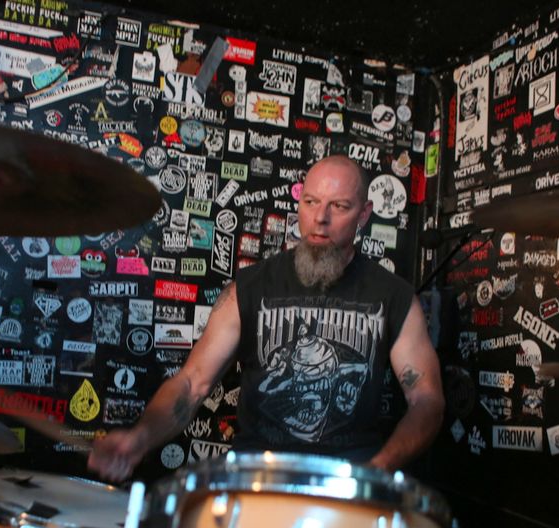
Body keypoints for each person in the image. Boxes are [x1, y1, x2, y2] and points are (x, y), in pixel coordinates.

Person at [88, 155, 444, 481]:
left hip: (349, 482)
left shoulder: (393, 297)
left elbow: (426, 400)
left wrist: (377, 472)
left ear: (364, 215)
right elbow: (192, 383)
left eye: (339, 206)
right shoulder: (249, 288)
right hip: (257, 480)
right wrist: (140, 437)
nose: (320, 218)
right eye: (311, 202)